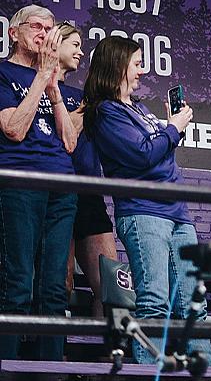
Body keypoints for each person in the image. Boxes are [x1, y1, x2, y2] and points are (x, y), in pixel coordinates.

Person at [82, 36, 211, 365]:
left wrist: (166, 135)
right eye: (138, 63)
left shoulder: (140, 110)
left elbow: (161, 158)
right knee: (154, 302)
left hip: (178, 213)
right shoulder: (106, 112)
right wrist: (171, 129)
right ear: (118, 65)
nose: (143, 70)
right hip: (143, 212)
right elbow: (143, 154)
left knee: (193, 306)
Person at [0, 5, 77, 361]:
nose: (44, 33)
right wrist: (40, 76)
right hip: (21, 182)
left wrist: (54, 88)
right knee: (18, 282)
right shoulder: (3, 72)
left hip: (61, 186)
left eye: (50, 28)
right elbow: (14, 129)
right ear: (14, 33)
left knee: (55, 287)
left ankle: (50, 368)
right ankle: (10, 365)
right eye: (37, 26)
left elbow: (70, 141)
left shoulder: (49, 78)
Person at [53, 21, 118, 319]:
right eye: (75, 44)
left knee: (112, 288)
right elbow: (67, 137)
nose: (80, 51)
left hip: (90, 192)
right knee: (60, 282)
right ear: (55, 44)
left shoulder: (85, 95)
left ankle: (108, 362)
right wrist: (88, 102)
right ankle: (58, 362)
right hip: (56, 193)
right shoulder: (44, 92)